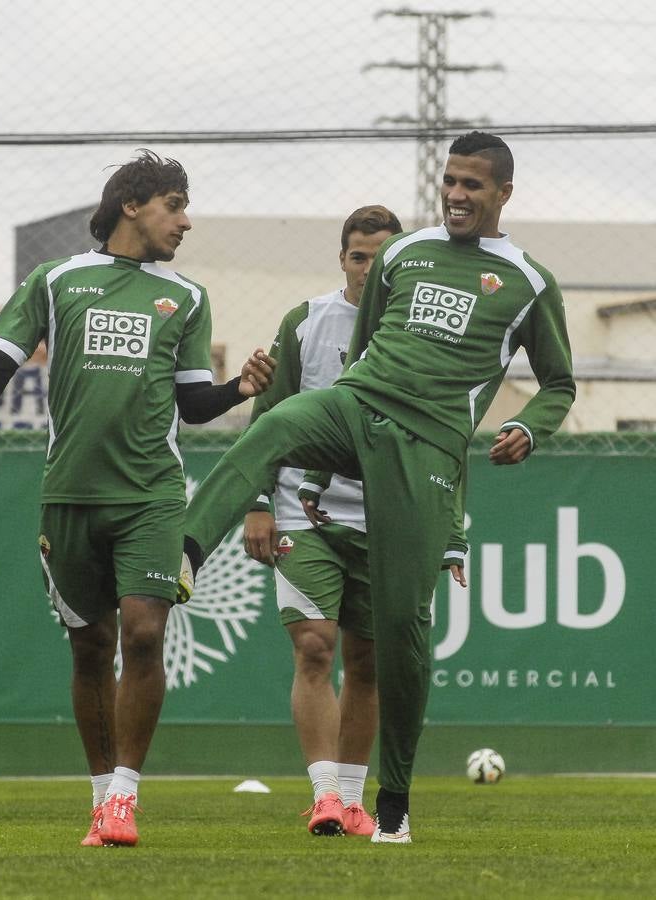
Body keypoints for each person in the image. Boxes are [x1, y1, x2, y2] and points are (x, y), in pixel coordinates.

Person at [178, 132, 575, 844]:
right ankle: (185, 552)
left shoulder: (528, 281)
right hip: (358, 404)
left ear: (503, 194)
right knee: (277, 423)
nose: (457, 194)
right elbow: (363, 349)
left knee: (398, 633)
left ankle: (393, 801)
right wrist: (326, 451)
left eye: (473, 185)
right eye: (450, 180)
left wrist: (532, 427)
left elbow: (560, 383)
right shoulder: (403, 253)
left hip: (425, 451)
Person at [0, 150, 275, 848]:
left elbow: (192, 405)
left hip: (150, 494)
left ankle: (123, 799)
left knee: (146, 633)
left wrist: (240, 388)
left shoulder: (187, 297)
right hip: (70, 495)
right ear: (132, 205)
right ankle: (96, 795)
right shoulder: (57, 281)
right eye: (175, 205)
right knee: (91, 647)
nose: (185, 221)